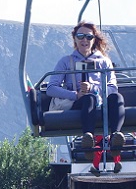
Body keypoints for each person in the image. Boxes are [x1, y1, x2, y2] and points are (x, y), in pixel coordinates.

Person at [46, 21, 126, 173]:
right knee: (89, 99)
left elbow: (112, 86)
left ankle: (116, 138)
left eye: (88, 37)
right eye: (80, 36)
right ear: (75, 39)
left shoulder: (103, 61)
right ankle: (88, 137)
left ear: (94, 39)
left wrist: (94, 88)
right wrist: (75, 94)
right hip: (80, 102)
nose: (84, 40)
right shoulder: (66, 62)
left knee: (116, 97)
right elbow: (51, 88)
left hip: (101, 102)